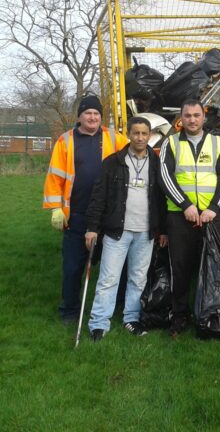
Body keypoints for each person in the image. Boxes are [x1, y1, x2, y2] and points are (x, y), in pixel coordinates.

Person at [43, 95, 127, 324]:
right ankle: (69, 310)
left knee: (115, 267)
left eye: (96, 114)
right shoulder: (66, 141)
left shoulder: (114, 138)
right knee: (72, 268)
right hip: (77, 216)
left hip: (108, 216)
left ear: (101, 117)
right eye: (88, 113)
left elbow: (137, 153)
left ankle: (117, 307)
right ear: (79, 116)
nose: (92, 117)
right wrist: (55, 208)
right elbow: (55, 176)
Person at [84, 117, 168, 341]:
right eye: (136, 133)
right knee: (108, 279)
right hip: (116, 231)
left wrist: (163, 230)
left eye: (144, 133)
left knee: (138, 278)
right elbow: (98, 197)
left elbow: (162, 200)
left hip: (146, 232)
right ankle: (99, 324)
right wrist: (92, 228)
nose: (140, 138)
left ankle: (131, 319)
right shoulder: (112, 162)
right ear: (128, 134)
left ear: (150, 135)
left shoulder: (157, 163)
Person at [158, 99, 220, 337]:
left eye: (196, 115)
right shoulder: (171, 143)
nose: (192, 119)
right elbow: (165, 178)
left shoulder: (216, 143)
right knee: (180, 268)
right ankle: (179, 316)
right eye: (187, 115)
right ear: (181, 118)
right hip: (180, 217)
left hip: (211, 217)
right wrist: (186, 205)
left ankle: (208, 314)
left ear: (203, 117)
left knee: (211, 267)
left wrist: (214, 208)